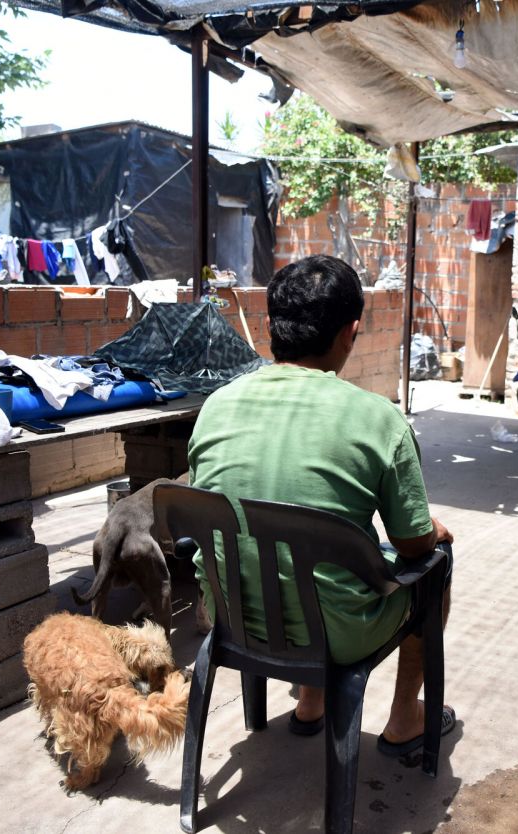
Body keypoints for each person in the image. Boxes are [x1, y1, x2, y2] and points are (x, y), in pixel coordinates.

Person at [187, 254, 455, 755]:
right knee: (436, 565)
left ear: (271, 327)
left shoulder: (215, 407)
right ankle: (404, 719)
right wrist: (432, 532)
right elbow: (413, 545)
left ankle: (310, 701)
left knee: (279, 534)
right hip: (338, 634)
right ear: (350, 333)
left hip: (231, 616)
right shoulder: (377, 419)